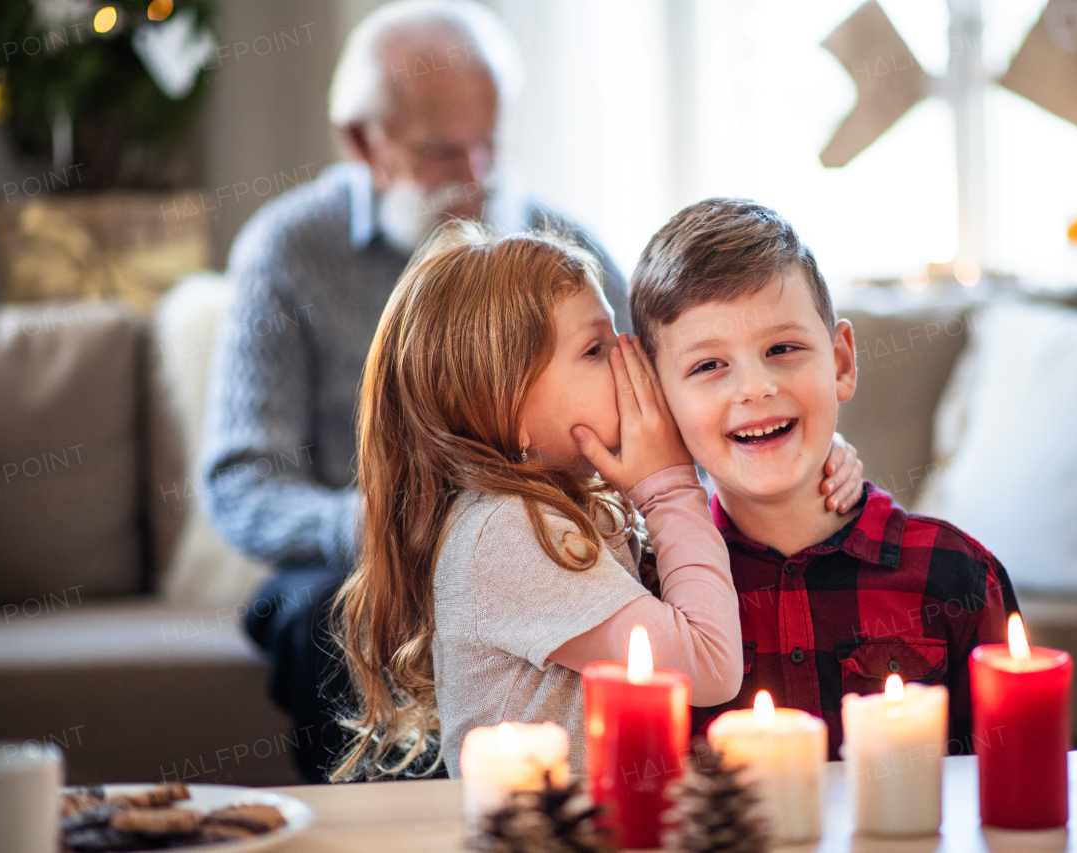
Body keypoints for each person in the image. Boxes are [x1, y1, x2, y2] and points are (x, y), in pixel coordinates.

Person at [198, 0, 633, 783]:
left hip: (541, 532)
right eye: (443, 151)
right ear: (362, 141)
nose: (477, 178)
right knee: (325, 615)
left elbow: (644, 397)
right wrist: (385, 522)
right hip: (357, 551)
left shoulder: (557, 244)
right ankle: (383, 817)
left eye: (489, 144)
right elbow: (240, 482)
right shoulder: (288, 251)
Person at [334, 224, 746, 780]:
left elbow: (696, 570)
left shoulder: (562, 504)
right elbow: (710, 665)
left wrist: (821, 465)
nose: (632, 360)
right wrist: (671, 487)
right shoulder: (507, 531)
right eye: (597, 349)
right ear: (503, 407)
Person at [626, 198, 1019, 758]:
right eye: (708, 365)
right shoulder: (652, 594)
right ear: (659, 399)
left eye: (782, 349)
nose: (755, 388)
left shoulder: (958, 576)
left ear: (840, 362)